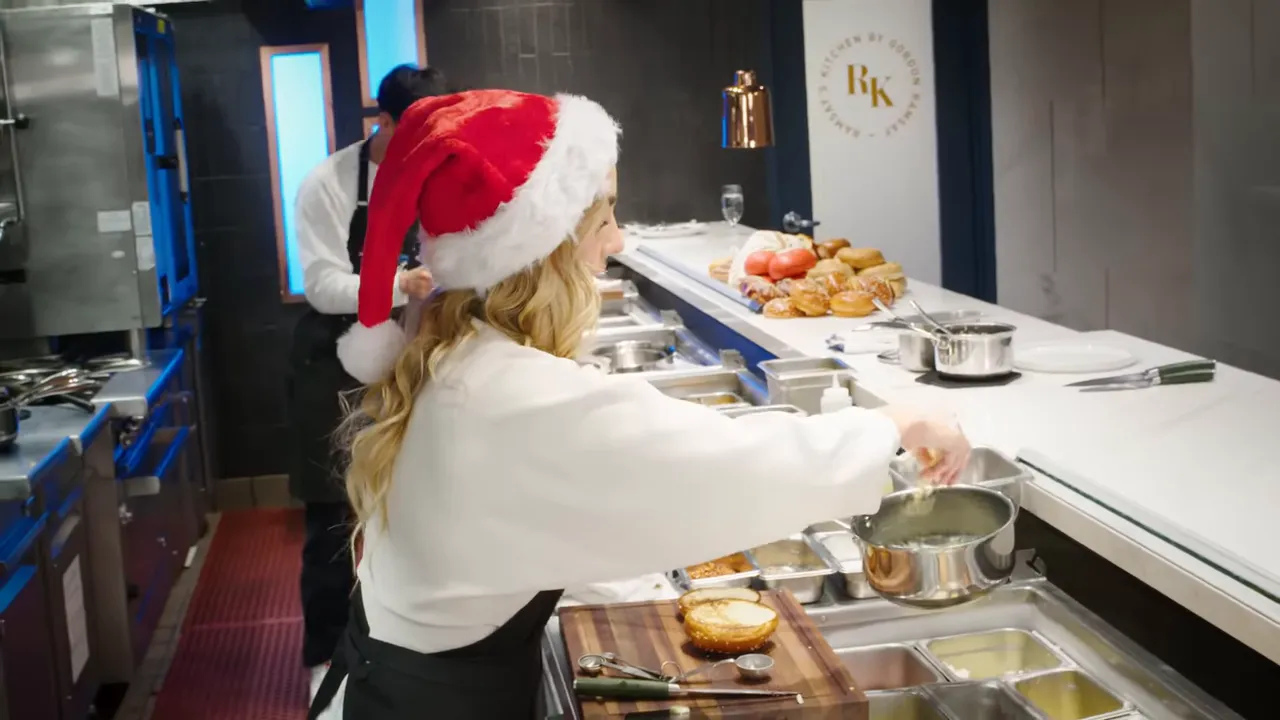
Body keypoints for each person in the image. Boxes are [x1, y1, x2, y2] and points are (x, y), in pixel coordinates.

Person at [309, 89, 971, 719]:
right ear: (543, 253)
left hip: (394, 686)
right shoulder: (507, 396)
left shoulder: (460, 357)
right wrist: (895, 424)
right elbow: (722, 467)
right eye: (605, 217)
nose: (619, 241)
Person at [286, 64, 454, 698]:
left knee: (410, 508)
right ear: (383, 122)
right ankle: (324, 664)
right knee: (335, 517)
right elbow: (323, 285)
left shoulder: (439, 173)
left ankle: (401, 647)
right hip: (332, 358)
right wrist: (397, 285)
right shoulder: (327, 184)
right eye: (416, 129)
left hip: (411, 354)